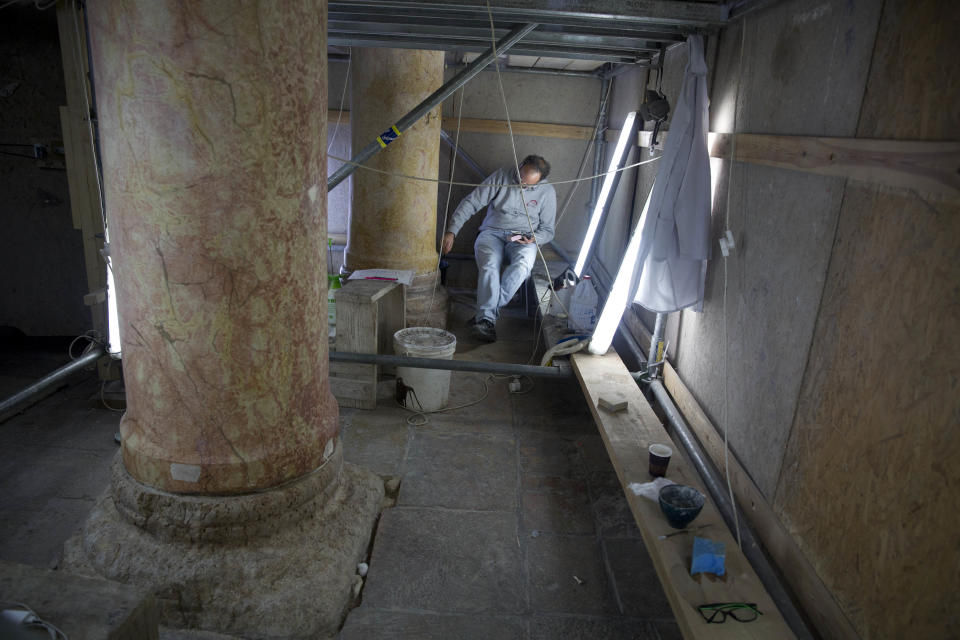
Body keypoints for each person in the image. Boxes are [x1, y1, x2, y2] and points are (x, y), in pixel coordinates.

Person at [441, 155, 556, 342]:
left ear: (540, 181)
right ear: (520, 166)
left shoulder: (547, 192)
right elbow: (472, 201)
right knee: (489, 265)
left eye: (527, 185)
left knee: (523, 266)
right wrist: (452, 231)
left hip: (523, 238)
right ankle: (486, 319)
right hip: (492, 232)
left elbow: (548, 230)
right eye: (520, 178)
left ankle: (486, 314)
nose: (521, 185)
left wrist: (535, 238)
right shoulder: (502, 176)